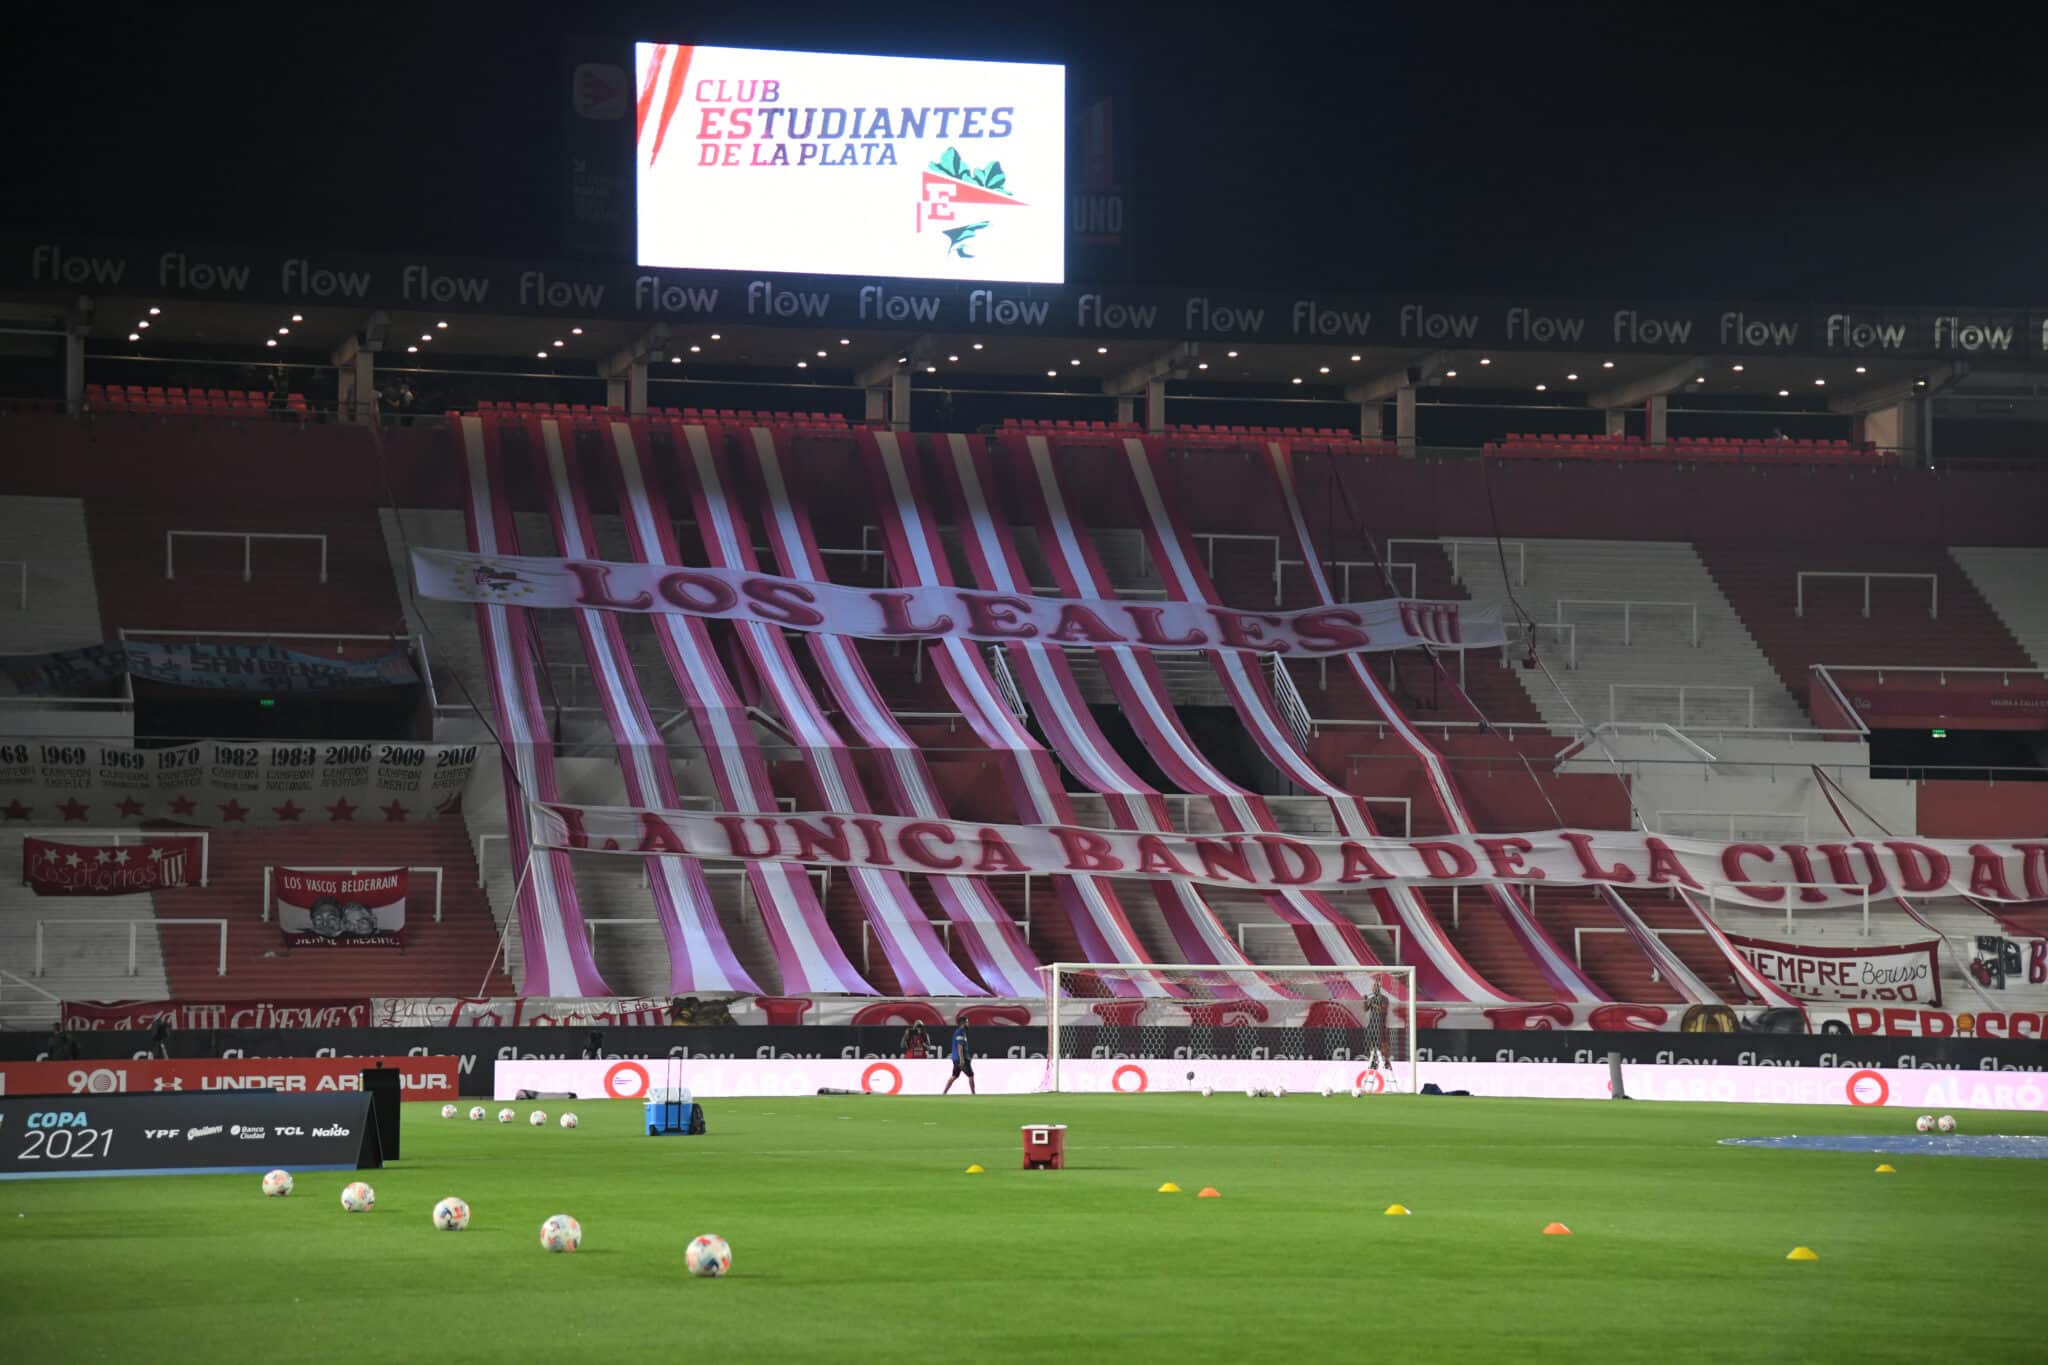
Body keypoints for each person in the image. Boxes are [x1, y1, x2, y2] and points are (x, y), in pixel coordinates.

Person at [1362, 982, 1390, 1070]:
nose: (1373, 990)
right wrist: (1365, 1001)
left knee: (1382, 1044)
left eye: (1375, 988)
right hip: (1372, 1024)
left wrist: (1373, 1004)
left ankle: (1386, 1062)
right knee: (1372, 1043)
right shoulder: (1372, 998)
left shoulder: (1384, 999)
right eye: (1373, 988)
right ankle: (1374, 1062)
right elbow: (1365, 1009)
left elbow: (1383, 1009)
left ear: (1379, 988)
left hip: (1380, 1024)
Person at [941, 1023, 976, 1095]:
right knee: (971, 1075)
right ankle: (973, 1094)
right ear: (963, 1024)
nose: (968, 1024)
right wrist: (962, 1059)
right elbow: (959, 1046)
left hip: (957, 1058)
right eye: (967, 1022)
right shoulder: (960, 1032)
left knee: (954, 1075)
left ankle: (944, 1092)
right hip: (961, 1058)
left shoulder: (959, 1032)